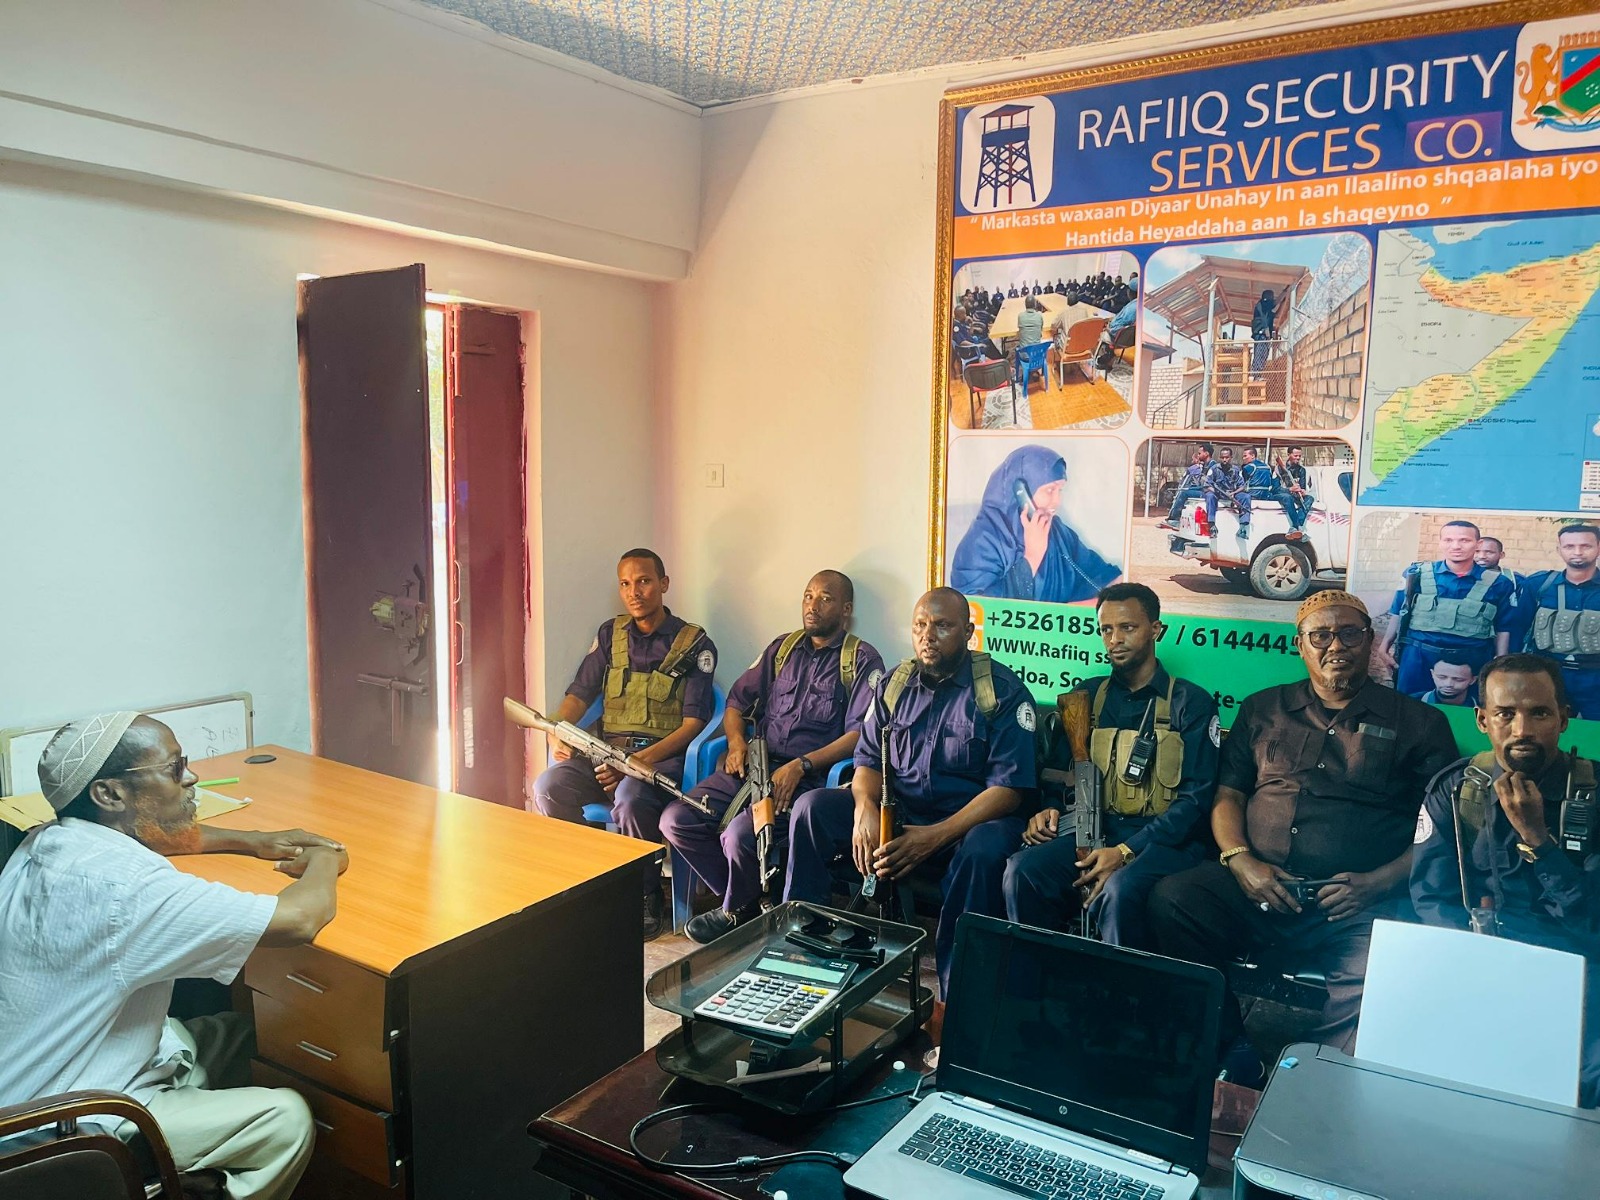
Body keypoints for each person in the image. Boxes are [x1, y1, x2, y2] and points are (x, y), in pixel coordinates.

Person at [0, 713, 350, 1200]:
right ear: (109, 794)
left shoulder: (47, 841)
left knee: (253, 1035)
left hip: (52, 1075)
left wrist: (253, 841)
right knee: (285, 1118)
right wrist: (327, 857)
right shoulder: (128, 891)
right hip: (64, 1131)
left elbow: (156, 836)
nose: (192, 777)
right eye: (174, 768)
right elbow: (299, 919)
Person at [1148, 591, 1457, 1084]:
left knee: (1385, 968)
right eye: (1321, 635)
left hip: (1353, 904)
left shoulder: (1420, 723)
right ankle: (1229, 1048)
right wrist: (1240, 860)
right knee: (1174, 901)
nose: (1336, 646)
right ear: (1300, 645)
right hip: (1259, 888)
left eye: (1350, 634)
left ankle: (1320, 1080)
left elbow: (1440, 828)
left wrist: (1378, 883)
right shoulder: (1263, 709)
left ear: (1370, 641)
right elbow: (1228, 796)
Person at [783, 588, 1034, 995]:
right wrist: (864, 807)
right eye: (920, 625)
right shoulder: (894, 685)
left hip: (968, 824)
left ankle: (958, 993)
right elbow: (866, 760)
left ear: (968, 632)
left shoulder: (1000, 691)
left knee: (986, 847)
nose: (928, 636)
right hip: (898, 813)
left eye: (942, 626)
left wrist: (935, 836)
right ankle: (801, 947)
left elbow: (1009, 790)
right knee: (811, 808)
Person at [1411, 655, 1600, 1106]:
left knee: (1583, 1082)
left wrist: (1538, 840)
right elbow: (1431, 898)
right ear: (1482, 720)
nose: (1522, 730)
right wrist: (1479, 967)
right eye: (1505, 714)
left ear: (1564, 719)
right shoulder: (1457, 790)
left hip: (1577, 967)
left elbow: (1594, 924)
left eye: (1540, 713)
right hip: (1477, 960)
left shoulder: (1593, 797)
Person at [663, 572, 885, 942]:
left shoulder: (861, 659)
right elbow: (736, 702)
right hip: (755, 766)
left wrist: (802, 765)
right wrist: (737, 743)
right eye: (808, 596)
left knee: (740, 835)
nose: (812, 606)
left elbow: (859, 735)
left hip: (807, 779)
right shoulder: (783, 648)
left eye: (825, 598)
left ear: (846, 609)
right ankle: (747, 902)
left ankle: (735, 911)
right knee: (676, 819)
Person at [1003, 584, 1218, 948]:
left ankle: (1117, 985)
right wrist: (1049, 809)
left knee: (1119, 891)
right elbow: (1058, 773)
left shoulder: (1190, 703)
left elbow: (1195, 800)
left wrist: (1125, 851)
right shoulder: (1085, 697)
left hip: (1161, 842)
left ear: (1156, 629)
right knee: (1022, 871)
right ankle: (1038, 979)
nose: (1115, 639)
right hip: (1091, 829)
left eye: (1127, 627)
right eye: (1106, 629)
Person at [532, 549, 718, 940]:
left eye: (644, 581)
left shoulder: (693, 643)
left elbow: (693, 725)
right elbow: (579, 695)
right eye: (625, 583)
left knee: (630, 798)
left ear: (664, 584)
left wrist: (634, 764)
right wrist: (557, 729)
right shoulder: (610, 635)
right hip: (605, 754)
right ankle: (588, 881)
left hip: (660, 761)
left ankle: (645, 894)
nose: (634, 592)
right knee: (548, 786)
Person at [949, 444, 1121, 604]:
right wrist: (1032, 557)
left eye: (1060, 490)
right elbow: (976, 609)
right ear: (1020, 492)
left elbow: (1102, 575)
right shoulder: (980, 543)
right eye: (1050, 490)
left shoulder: (1057, 532)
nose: (1057, 501)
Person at [1376, 520, 1517, 699]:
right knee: (1410, 706)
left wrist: (1501, 659)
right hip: (1418, 656)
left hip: (1471, 658)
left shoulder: (1500, 583)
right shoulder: (1416, 574)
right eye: (1448, 540)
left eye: (1464, 540)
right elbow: (1399, 610)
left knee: (1466, 709)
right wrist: (1384, 646)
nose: (1456, 546)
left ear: (1478, 544)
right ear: (1440, 542)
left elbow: (1503, 626)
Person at [1517, 524, 1600, 720]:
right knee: (1546, 727)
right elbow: (1518, 628)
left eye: (1586, 546)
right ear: (1559, 549)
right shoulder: (1539, 585)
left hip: (1596, 678)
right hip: (1548, 676)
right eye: (1569, 546)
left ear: (1598, 548)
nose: (1577, 552)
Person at [1242, 446, 1307, 538]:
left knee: (1309, 499)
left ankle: (1299, 524)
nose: (1298, 458)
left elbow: (1303, 487)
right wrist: (1289, 490)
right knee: (1287, 497)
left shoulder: (1302, 470)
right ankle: (1296, 527)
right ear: (1289, 455)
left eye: (1299, 456)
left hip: (1294, 495)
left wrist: (1302, 491)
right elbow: (1275, 488)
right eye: (1295, 455)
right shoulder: (1278, 469)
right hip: (1279, 494)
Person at [1159, 445, 1213, 529]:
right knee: (1184, 490)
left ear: (1206, 454)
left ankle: (1175, 519)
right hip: (1203, 490)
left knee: (1184, 493)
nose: (1198, 456)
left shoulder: (1212, 466)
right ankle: (1173, 518)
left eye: (1199, 453)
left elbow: (1209, 484)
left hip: (1209, 494)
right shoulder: (1205, 466)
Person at [1204, 446, 1252, 536]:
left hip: (1232, 494)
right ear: (1219, 457)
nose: (1224, 460)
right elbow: (1207, 485)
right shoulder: (1214, 469)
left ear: (1231, 458)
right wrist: (1217, 491)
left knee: (1246, 496)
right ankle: (1211, 524)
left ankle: (1243, 526)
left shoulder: (1236, 470)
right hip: (1217, 494)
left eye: (1227, 457)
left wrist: (1233, 493)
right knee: (1209, 495)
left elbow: (1242, 486)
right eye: (1222, 457)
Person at [1250, 289, 1278, 376]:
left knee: (1264, 354)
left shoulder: (1267, 307)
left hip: (1264, 334)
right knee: (1259, 353)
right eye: (1271, 296)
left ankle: (1258, 374)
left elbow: (1276, 304)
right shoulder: (1261, 305)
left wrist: (1285, 293)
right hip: (1261, 333)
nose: (1272, 298)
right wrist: (1267, 331)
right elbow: (1263, 319)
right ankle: (1255, 374)